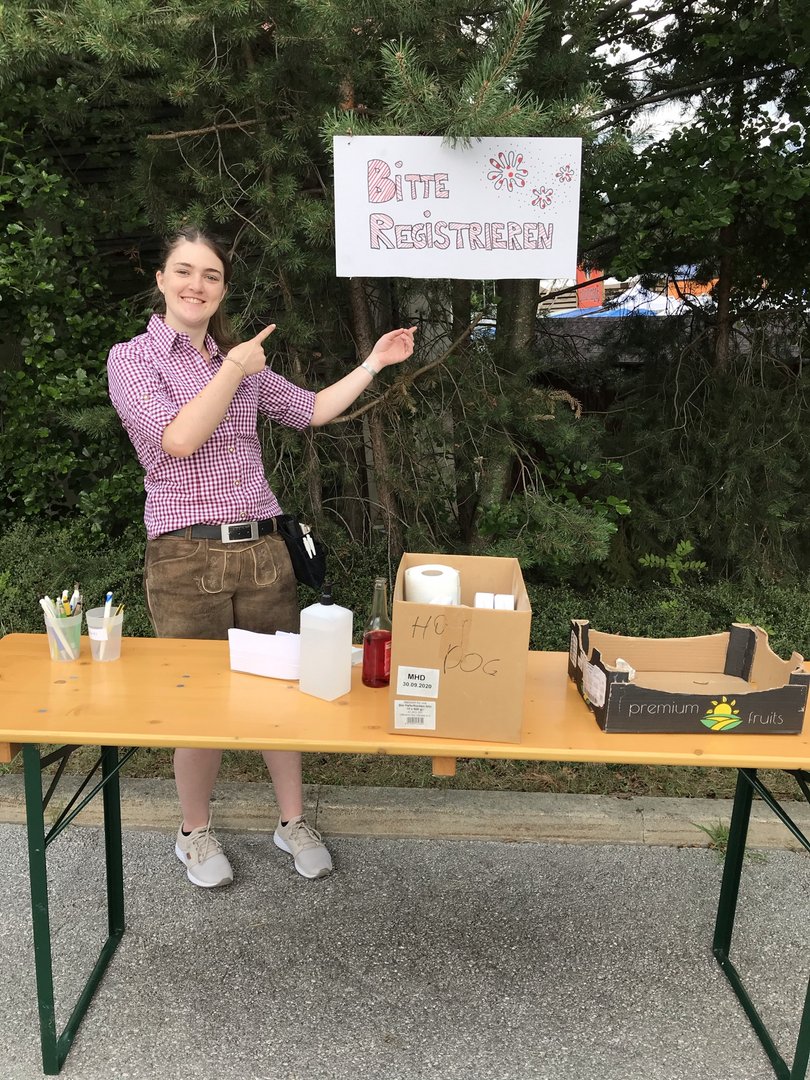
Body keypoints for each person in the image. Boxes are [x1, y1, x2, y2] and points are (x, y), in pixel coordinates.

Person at [107, 227, 415, 889]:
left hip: (265, 550)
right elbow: (179, 439)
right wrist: (233, 370)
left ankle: (292, 821)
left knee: (282, 690)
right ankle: (194, 832)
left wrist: (374, 362)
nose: (196, 285)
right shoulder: (133, 359)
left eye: (211, 275)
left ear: (222, 289)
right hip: (184, 556)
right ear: (160, 280)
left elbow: (312, 411)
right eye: (184, 271)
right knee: (196, 704)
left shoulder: (239, 361)